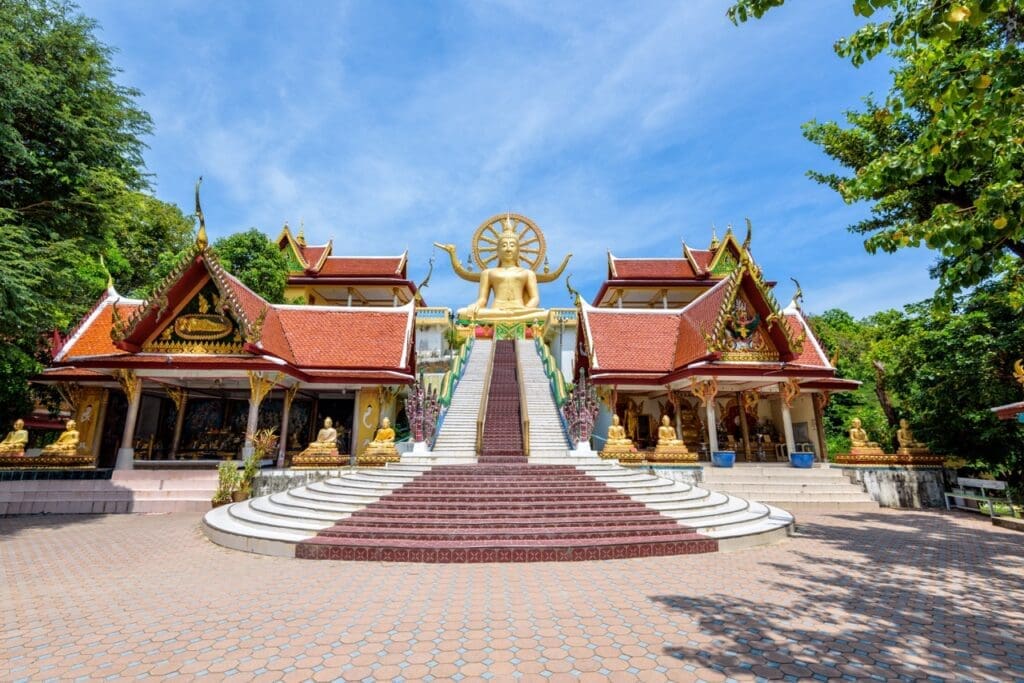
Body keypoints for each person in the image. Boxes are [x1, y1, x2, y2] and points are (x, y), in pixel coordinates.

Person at [457, 217, 544, 323]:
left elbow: (535, 298)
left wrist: (526, 309)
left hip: (521, 310)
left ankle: (517, 316)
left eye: (512, 245)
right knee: (462, 312)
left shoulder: (528, 273)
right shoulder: (488, 273)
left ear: (518, 250)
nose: (508, 249)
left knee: (547, 314)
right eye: (504, 245)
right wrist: (476, 305)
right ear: (497, 250)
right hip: (496, 311)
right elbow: (482, 299)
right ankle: (513, 318)